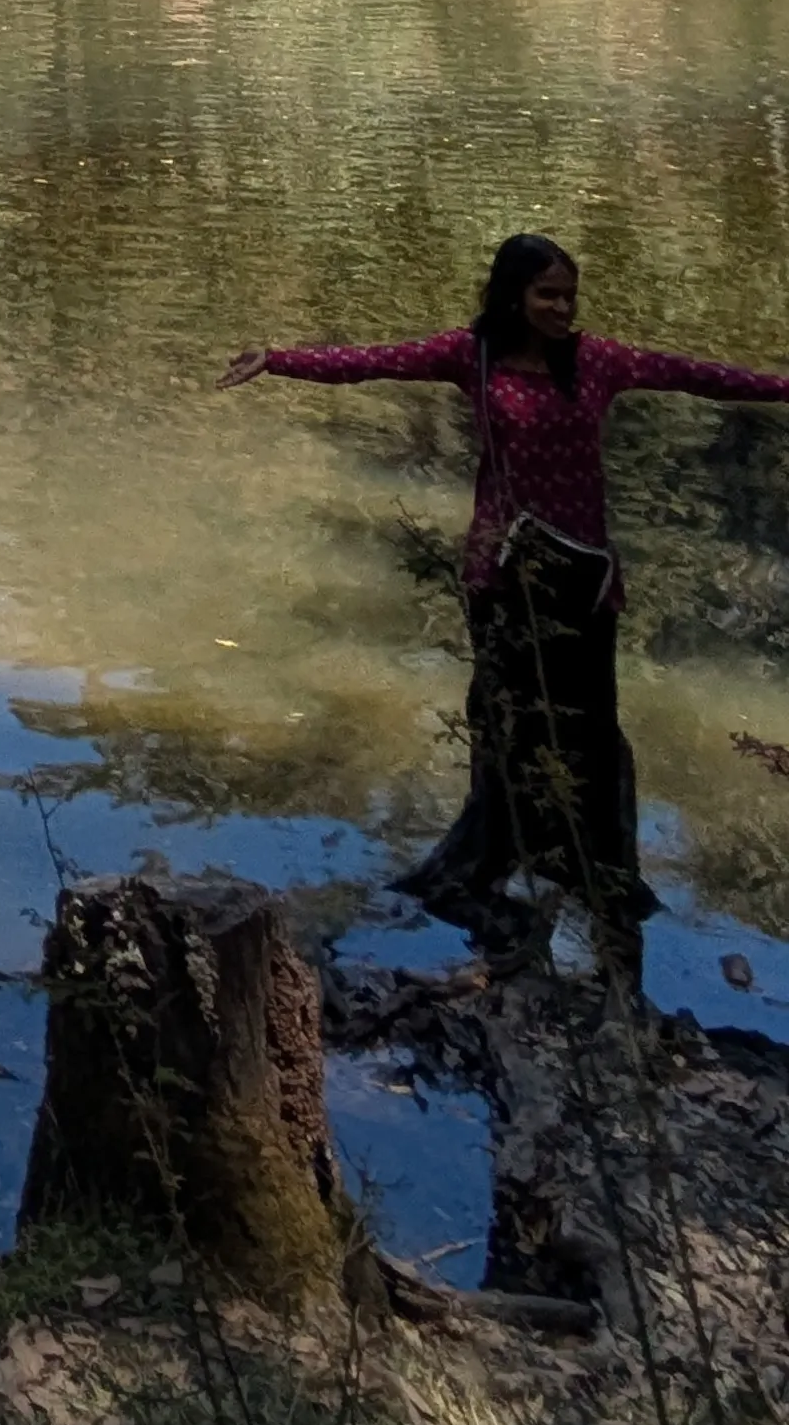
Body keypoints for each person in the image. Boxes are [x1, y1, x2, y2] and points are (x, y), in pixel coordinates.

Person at [226, 236, 789, 937]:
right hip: (500, 575)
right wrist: (277, 359)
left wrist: (782, 386)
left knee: (587, 723)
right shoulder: (474, 354)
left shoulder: (599, 361)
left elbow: (697, 375)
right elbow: (373, 362)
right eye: (547, 294)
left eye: (569, 296)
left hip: (584, 578)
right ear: (513, 296)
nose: (561, 308)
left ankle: (595, 870)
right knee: (508, 721)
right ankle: (487, 864)